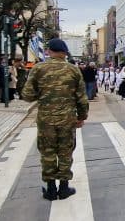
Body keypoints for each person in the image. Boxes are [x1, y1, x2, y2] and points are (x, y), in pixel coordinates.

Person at [20, 38, 88, 201]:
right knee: (65, 152)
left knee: (48, 152)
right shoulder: (73, 70)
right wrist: (81, 117)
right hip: (67, 119)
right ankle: (64, 189)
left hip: (46, 120)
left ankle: (50, 190)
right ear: (65, 53)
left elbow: (27, 95)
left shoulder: (38, 69)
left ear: (49, 51)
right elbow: (82, 98)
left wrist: (43, 95)